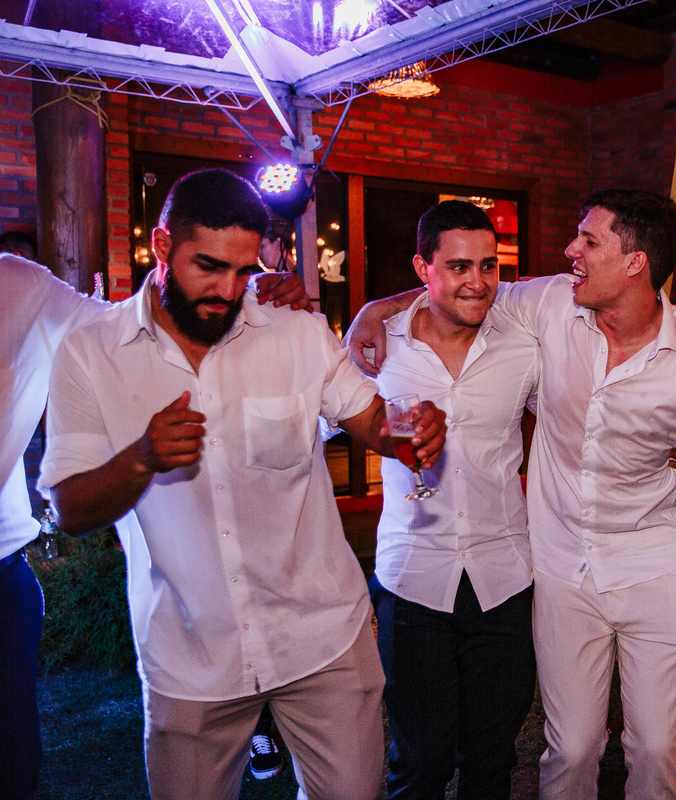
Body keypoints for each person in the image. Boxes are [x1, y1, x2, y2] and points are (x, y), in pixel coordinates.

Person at [347, 189, 676, 800]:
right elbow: (462, 289)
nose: (569, 251)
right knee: (572, 748)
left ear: (635, 262)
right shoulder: (549, 303)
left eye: (588, 241)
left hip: (654, 566)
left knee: (658, 746)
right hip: (560, 567)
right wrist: (377, 308)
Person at [38, 168, 446, 800]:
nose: (228, 290)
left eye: (242, 269)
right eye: (208, 266)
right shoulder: (91, 354)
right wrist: (141, 458)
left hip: (323, 640)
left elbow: (369, 419)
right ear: (161, 244)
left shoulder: (294, 330)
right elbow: (67, 505)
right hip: (190, 655)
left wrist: (409, 431)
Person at [0, 235, 305, 800]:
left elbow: (125, 328)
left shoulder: (15, 285)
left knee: (11, 763)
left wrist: (243, 294)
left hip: (0, 576)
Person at [369, 200, 540, 799]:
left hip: (503, 580)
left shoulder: (523, 346)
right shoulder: (377, 347)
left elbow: (581, 418)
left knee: (492, 762)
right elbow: (316, 423)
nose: (478, 281)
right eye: (459, 266)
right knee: (419, 764)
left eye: (489, 265)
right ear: (423, 268)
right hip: (413, 580)